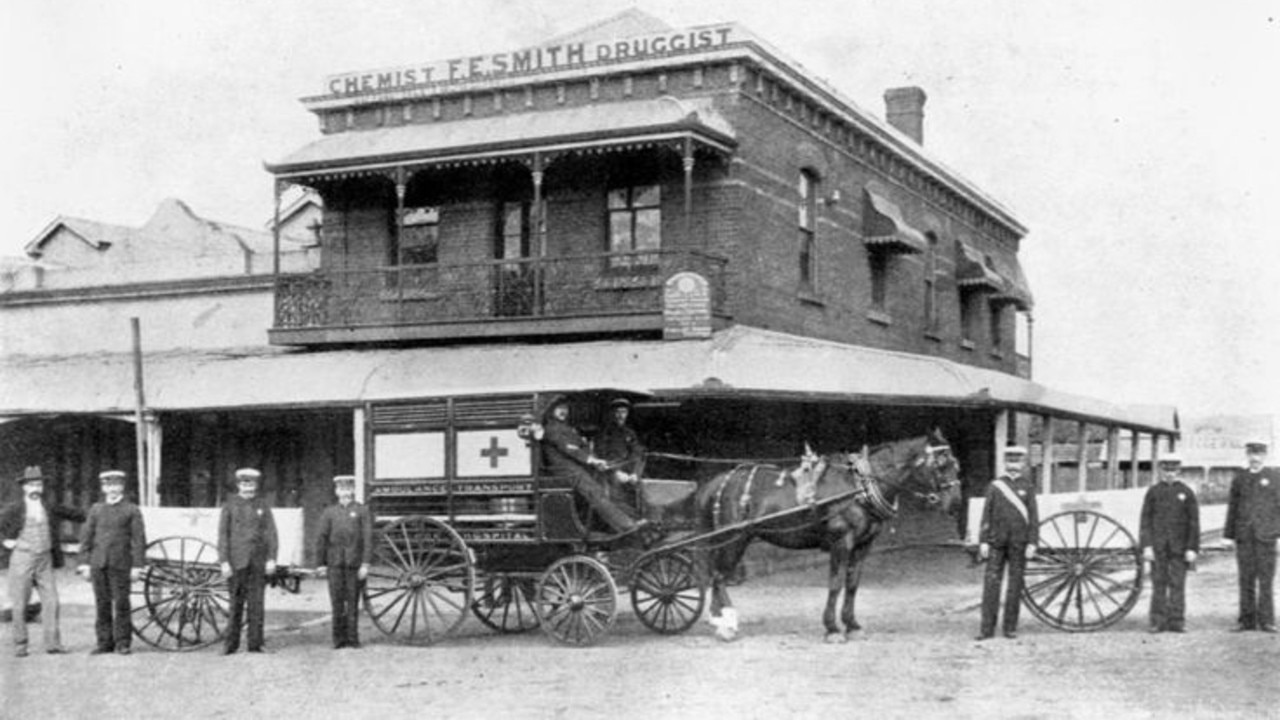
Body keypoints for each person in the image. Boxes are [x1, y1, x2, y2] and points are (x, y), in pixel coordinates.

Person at [0, 466, 86, 657]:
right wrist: (5, 541)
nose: (35, 488)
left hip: (45, 559)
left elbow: (77, 515)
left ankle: (53, 644)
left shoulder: (49, 506)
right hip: (22, 558)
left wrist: (100, 514)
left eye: (38, 484)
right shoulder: (14, 508)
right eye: (31, 484)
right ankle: (20, 645)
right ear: (24, 487)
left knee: (52, 601)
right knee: (20, 603)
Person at [539, 394, 648, 539]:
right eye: (559, 408)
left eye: (565, 408)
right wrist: (592, 461)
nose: (563, 411)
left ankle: (627, 522)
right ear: (551, 411)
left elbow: (581, 447)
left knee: (602, 490)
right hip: (565, 470)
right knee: (595, 491)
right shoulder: (551, 428)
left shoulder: (565, 428)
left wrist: (596, 462)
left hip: (574, 468)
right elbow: (570, 448)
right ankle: (626, 526)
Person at [77, 470, 148, 655]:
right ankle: (104, 643)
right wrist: (84, 564)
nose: (112, 489)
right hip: (98, 564)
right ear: (103, 488)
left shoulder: (131, 510)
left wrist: (137, 566)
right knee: (102, 604)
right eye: (108, 486)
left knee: (122, 603)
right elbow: (86, 538)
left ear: (122, 487)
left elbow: (139, 540)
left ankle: (123, 642)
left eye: (116, 485)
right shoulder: (96, 509)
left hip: (121, 564)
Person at [976, 445, 1039, 641]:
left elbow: (1034, 517)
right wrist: (983, 541)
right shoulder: (995, 486)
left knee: (1015, 586)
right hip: (996, 542)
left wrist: (1032, 542)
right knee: (991, 586)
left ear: (1022, 463)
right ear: (1005, 463)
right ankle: (986, 630)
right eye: (1010, 461)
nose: (1013, 465)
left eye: (1017, 461)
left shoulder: (1027, 487)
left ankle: (1010, 628)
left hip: (1019, 544)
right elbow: (986, 514)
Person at [217, 467, 279, 654]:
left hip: (258, 562)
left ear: (256, 485)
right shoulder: (229, 506)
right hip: (237, 562)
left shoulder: (263, 506)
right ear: (238, 485)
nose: (248, 487)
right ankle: (230, 645)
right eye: (244, 483)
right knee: (235, 604)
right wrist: (224, 562)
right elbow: (223, 536)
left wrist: (271, 559)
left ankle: (256, 644)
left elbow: (271, 534)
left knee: (257, 605)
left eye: (251, 483)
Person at [1223, 440, 1280, 633]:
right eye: (1251, 454)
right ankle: (1246, 621)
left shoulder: (1275, 476)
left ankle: (1267, 621)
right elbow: (1232, 508)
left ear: (1265, 455)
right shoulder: (1240, 478)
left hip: (1267, 536)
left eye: (1259, 454)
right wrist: (1228, 535)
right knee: (1245, 578)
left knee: (1266, 580)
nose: (1255, 458)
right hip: (1244, 537)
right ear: (1247, 456)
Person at [1139, 454, 1200, 633]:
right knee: (1159, 584)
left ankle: (1177, 622)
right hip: (1158, 548)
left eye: (1173, 470)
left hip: (1179, 548)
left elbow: (1194, 523)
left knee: (1177, 585)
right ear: (1161, 470)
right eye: (1166, 470)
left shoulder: (1186, 492)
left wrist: (1192, 548)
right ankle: (1157, 621)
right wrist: (1147, 546)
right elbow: (1145, 521)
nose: (1169, 474)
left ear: (1179, 471)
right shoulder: (1153, 492)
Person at [314, 474, 372, 650]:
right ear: (336, 491)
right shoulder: (329, 512)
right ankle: (338, 640)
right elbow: (321, 538)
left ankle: (353, 639)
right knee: (337, 602)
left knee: (353, 601)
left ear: (353, 491)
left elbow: (367, 539)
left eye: (348, 489)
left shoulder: (362, 511)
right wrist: (321, 564)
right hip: (335, 564)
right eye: (341, 489)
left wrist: (365, 564)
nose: (344, 492)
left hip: (354, 564)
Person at [595, 397, 646, 518]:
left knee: (641, 496)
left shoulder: (629, 433)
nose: (620, 415)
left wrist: (635, 473)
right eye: (617, 412)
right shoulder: (604, 433)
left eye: (623, 412)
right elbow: (601, 457)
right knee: (616, 501)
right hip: (610, 474)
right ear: (612, 414)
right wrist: (616, 472)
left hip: (628, 473)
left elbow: (637, 453)